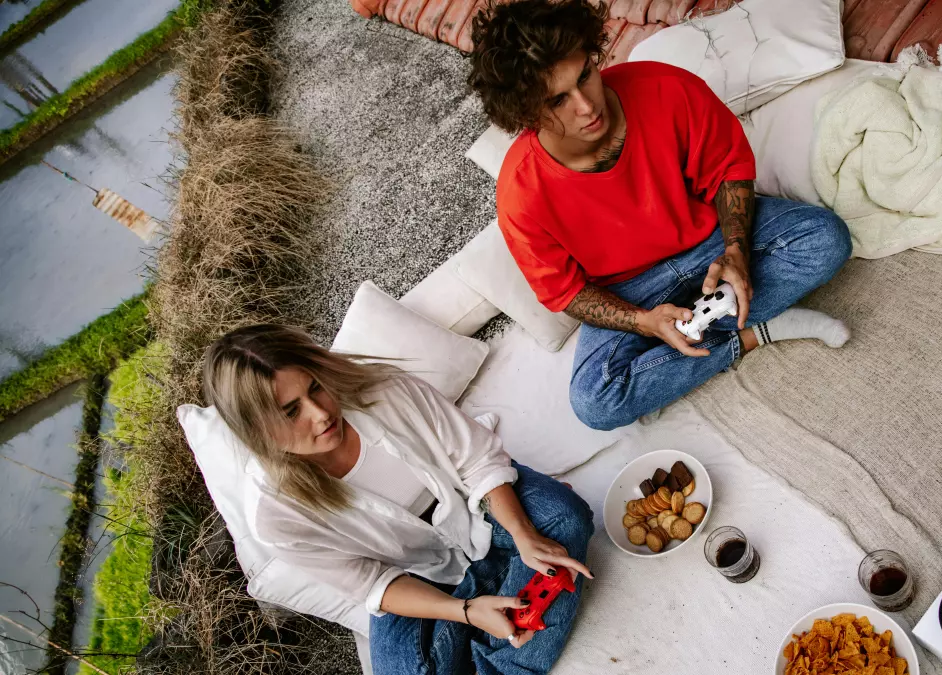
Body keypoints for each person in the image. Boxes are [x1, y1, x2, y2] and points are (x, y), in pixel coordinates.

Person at [468, 0, 853, 432]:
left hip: (708, 241)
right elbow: (566, 293)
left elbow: (730, 168)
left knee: (827, 239)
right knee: (596, 402)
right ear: (525, 115)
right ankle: (753, 332)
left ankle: (713, 320)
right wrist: (643, 323)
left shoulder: (665, 87)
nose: (586, 105)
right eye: (558, 100)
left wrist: (736, 251)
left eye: (585, 76)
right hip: (630, 291)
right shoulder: (520, 194)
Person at [202, 324, 593, 675]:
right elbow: (374, 583)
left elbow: (477, 461)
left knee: (564, 519)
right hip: (415, 577)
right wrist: (467, 613)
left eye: (315, 387)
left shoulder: (385, 390)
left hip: (477, 507)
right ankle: (505, 621)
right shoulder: (275, 515)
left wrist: (522, 533)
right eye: (292, 411)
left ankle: (499, 656)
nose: (321, 414)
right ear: (257, 432)